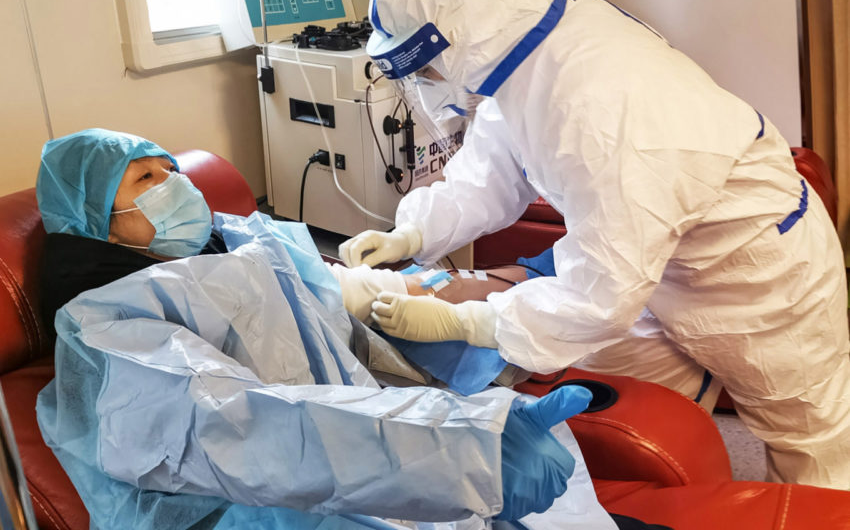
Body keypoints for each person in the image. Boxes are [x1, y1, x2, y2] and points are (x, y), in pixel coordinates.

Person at [340, 0, 850, 490]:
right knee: (628, 411)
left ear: (458, 34)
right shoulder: (518, 53)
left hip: (761, 274)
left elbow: (600, 298)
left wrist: (470, 322)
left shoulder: (600, 104)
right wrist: (413, 233)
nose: (424, 85)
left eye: (425, 68)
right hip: (658, 265)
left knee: (810, 444)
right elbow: (489, 174)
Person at [33, 128, 625, 530]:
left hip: (360, 449)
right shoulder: (105, 321)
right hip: (259, 505)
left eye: (172, 169)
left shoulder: (239, 240)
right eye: (146, 180)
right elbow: (239, 426)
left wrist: (466, 312)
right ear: (96, 220)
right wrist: (463, 446)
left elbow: (338, 300)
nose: (176, 184)